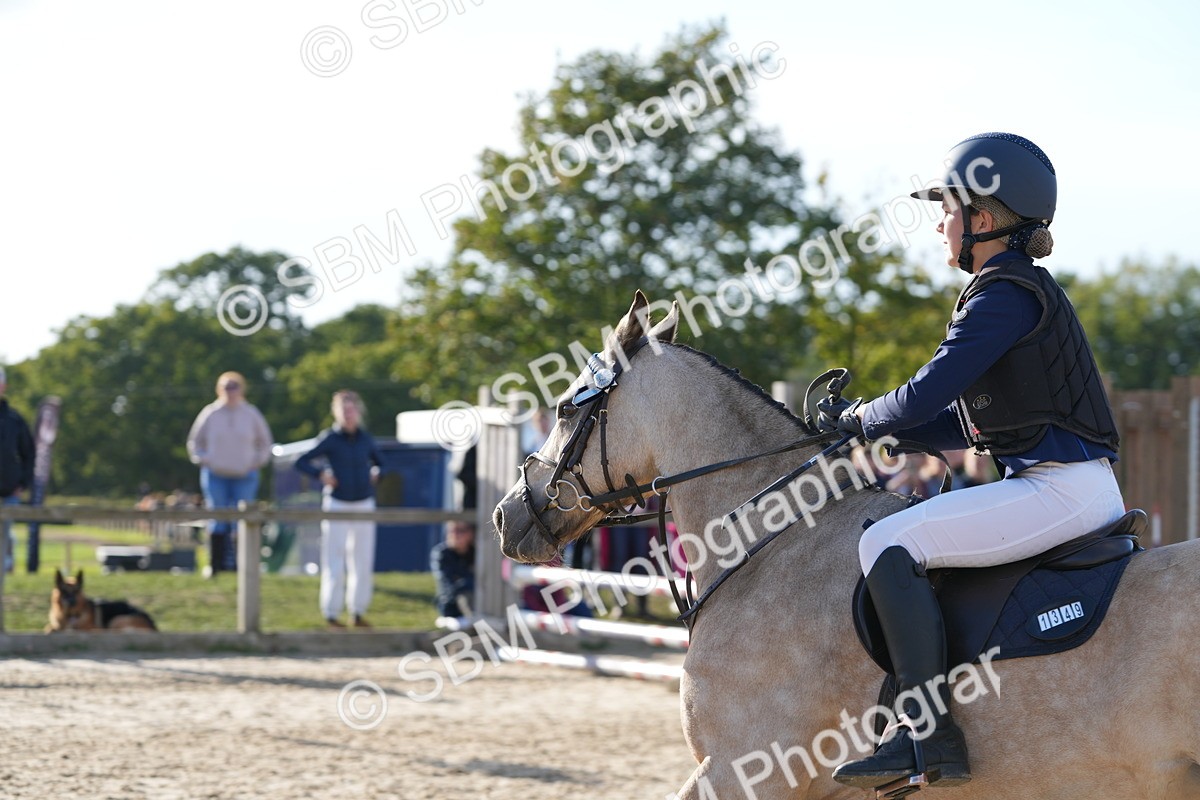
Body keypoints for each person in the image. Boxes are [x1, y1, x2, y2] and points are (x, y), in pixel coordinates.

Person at [820, 133, 1124, 790]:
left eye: (949, 210)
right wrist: (872, 436)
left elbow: (926, 390)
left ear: (982, 220)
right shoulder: (1015, 291)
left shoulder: (1002, 295)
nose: (938, 222)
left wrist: (857, 417)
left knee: (885, 541)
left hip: (1059, 490)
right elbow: (960, 418)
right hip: (1066, 483)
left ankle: (929, 737)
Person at [295, 390, 384, 629]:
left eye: (351, 409)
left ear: (358, 411)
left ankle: (357, 611)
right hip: (337, 502)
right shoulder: (331, 438)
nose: (348, 414)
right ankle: (332, 613)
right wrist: (321, 475)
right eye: (344, 409)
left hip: (364, 501)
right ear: (337, 412)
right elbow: (302, 461)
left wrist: (377, 473)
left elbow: (382, 463)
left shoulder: (365, 438)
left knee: (362, 559)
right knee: (334, 558)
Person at [187, 371, 273, 577]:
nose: (230, 391)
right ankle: (215, 566)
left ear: (241, 389)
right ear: (219, 389)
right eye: (226, 386)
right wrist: (204, 459)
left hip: (245, 476)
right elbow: (194, 443)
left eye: (234, 386)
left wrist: (256, 462)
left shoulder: (251, 414)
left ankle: (241, 567)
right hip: (216, 475)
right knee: (217, 518)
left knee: (241, 520)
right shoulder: (211, 413)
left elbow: (266, 443)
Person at [0, 367, 34, 573]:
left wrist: (22, 484)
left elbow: (29, 453)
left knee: (5, 535)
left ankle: (5, 572)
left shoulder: (14, 420)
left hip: (8, 492)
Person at [430, 520, 476, 618]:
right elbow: (449, 585)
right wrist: (469, 582)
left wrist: (464, 581)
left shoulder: (476, 553)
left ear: (470, 533)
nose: (455, 535)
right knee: (465, 596)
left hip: (478, 602)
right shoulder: (442, 554)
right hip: (451, 605)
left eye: (461, 531)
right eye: (451, 531)